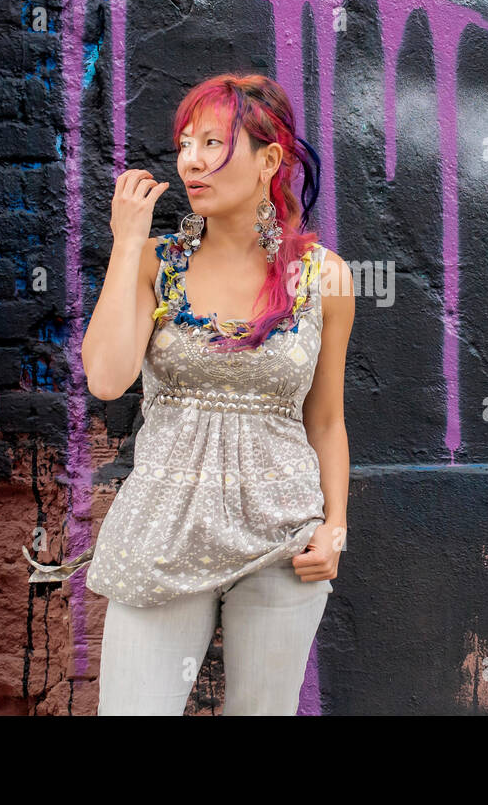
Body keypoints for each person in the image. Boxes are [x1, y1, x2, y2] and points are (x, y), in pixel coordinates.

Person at [72, 72, 354, 714]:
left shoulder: (325, 279)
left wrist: (334, 529)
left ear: (268, 162)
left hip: (283, 539)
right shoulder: (154, 262)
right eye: (186, 143)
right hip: (162, 534)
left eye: (213, 143)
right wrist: (125, 243)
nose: (191, 161)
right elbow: (107, 378)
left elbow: (328, 421)